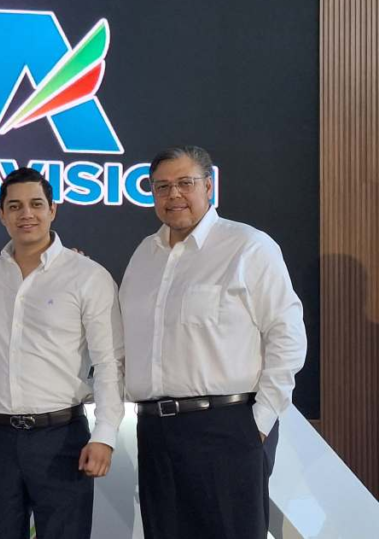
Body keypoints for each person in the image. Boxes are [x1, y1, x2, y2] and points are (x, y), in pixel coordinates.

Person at [119, 145, 307, 538]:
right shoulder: (143, 255)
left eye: (185, 183)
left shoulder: (248, 246)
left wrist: (259, 423)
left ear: (208, 186)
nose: (173, 194)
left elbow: (286, 335)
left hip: (228, 426)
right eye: (162, 186)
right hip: (155, 431)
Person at [0, 168, 124, 538]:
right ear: (1, 214)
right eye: (15, 206)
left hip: (62, 438)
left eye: (36, 204)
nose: (27, 214)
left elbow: (109, 363)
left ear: (53, 209)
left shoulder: (87, 276)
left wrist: (105, 434)